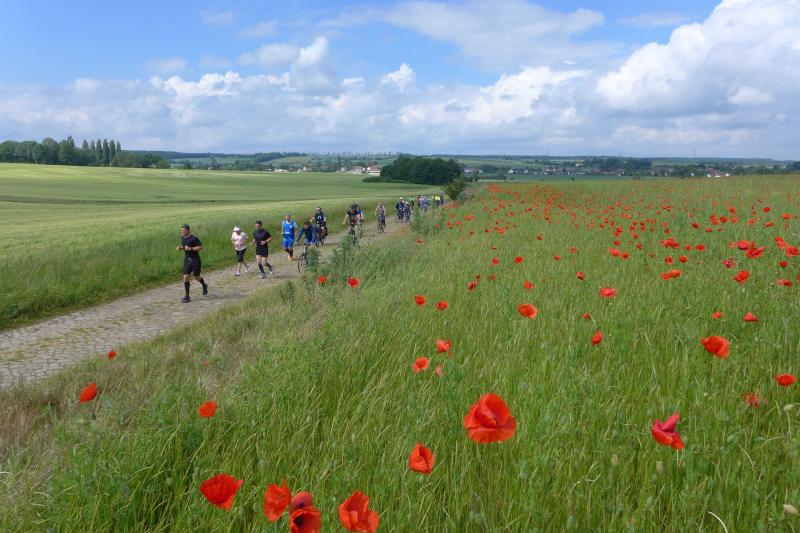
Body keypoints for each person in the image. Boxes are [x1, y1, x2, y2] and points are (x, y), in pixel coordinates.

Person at [176, 224, 208, 303]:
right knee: (186, 277)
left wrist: (191, 248)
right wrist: (181, 248)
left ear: (188, 230)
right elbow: (185, 247)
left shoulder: (194, 238)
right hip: (187, 260)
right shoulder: (182, 238)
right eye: (181, 230)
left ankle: (204, 285)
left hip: (195, 260)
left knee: (196, 276)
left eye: (184, 230)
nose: (182, 232)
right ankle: (187, 296)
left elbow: (200, 247)